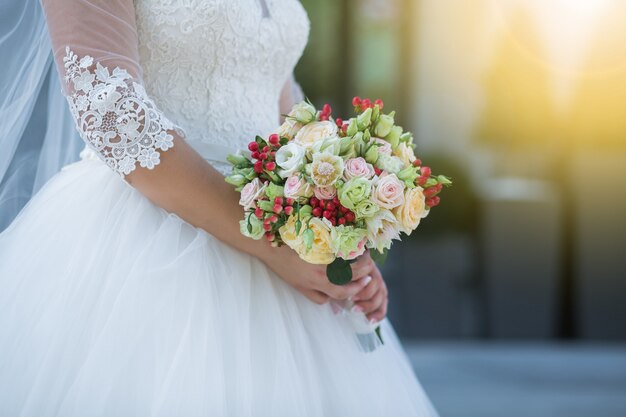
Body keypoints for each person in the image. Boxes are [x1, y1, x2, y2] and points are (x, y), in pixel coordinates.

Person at [0, 0, 438, 415]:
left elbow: (281, 108)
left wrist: (336, 233)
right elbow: (114, 116)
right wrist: (272, 246)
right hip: (149, 238)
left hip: (282, 234)